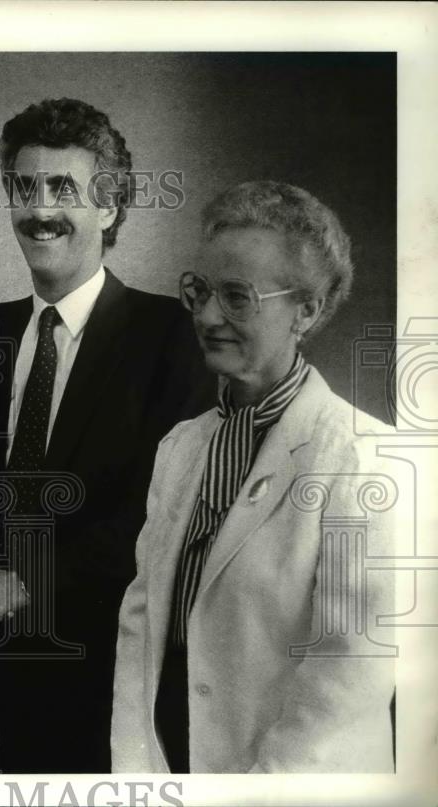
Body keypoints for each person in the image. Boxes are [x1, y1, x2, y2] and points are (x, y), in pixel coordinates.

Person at [0, 98, 214, 772]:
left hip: (106, 682)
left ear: (108, 208)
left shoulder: (169, 335)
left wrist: (19, 583)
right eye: (24, 187)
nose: (39, 209)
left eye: (63, 189)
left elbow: (157, 510)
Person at [111, 180, 396, 772]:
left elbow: (353, 667)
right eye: (201, 291)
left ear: (307, 310)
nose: (209, 316)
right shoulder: (182, 448)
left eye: (238, 296)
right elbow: (140, 634)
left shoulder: (366, 456)